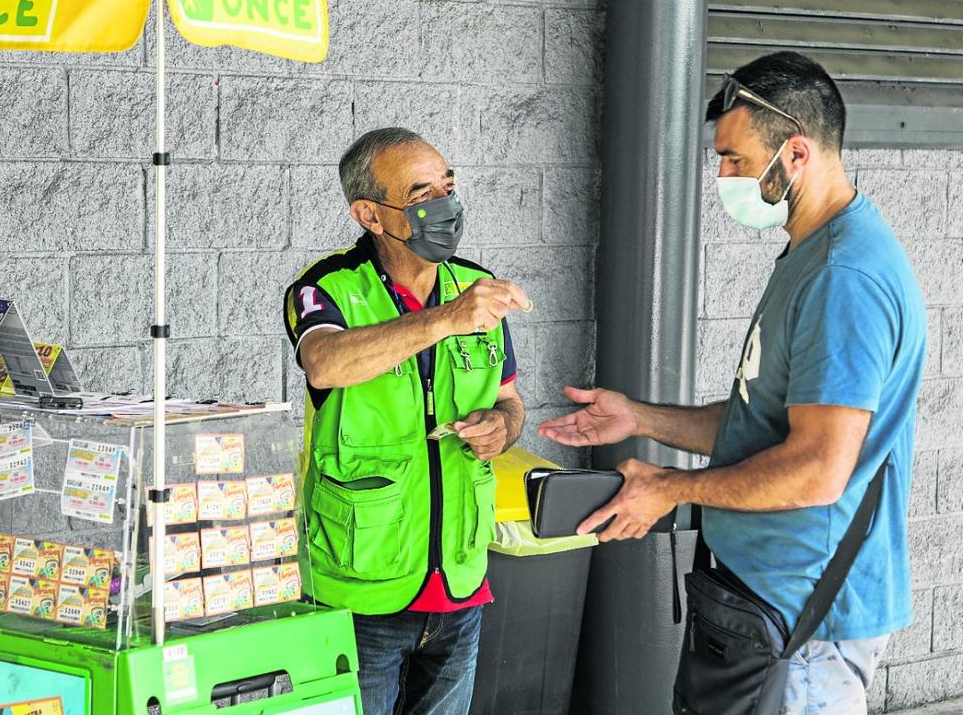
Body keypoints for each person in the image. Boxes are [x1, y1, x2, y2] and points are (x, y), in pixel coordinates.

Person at [539, 51, 927, 714]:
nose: (722, 176)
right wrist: (640, 417)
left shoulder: (844, 278)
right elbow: (761, 422)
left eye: (736, 160)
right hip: (764, 596)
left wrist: (668, 489)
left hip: (805, 617)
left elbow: (817, 469)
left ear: (797, 153)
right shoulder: (810, 256)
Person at [283, 127, 531, 715]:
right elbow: (326, 362)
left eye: (448, 186)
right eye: (421, 194)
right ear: (371, 213)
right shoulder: (327, 287)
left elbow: (512, 400)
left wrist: (502, 427)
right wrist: (444, 319)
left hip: (460, 577)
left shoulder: (477, 289)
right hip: (362, 582)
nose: (444, 205)